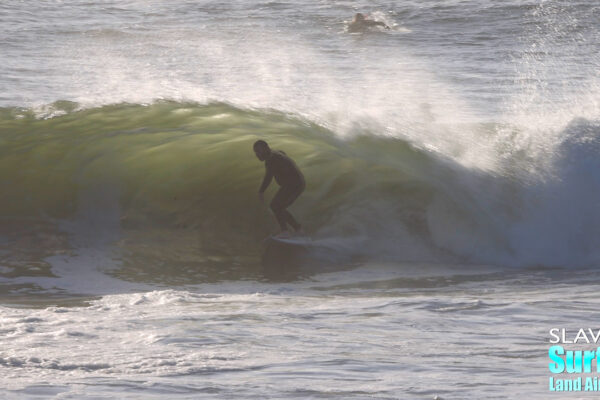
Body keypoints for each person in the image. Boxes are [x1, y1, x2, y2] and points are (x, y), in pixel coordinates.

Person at [253, 140, 305, 238]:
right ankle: (298, 229)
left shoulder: (271, 159)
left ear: (266, 148)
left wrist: (261, 191)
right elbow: (284, 154)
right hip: (297, 183)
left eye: (258, 151)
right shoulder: (276, 154)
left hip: (293, 184)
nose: (257, 154)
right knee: (279, 207)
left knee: (275, 206)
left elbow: (268, 177)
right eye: (255, 152)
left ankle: (286, 231)